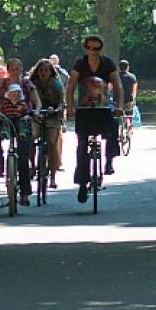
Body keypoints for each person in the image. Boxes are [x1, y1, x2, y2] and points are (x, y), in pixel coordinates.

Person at [65, 35, 124, 203]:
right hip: (84, 108)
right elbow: (71, 86)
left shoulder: (108, 64)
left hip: (103, 105)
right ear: (86, 49)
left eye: (97, 48)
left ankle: (109, 161)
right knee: (82, 144)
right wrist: (70, 107)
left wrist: (119, 106)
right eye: (90, 48)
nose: (93, 52)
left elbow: (118, 86)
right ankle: (83, 184)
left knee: (113, 128)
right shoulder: (79, 64)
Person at [0, 58, 41, 206]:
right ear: (8, 70)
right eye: (12, 69)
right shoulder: (1, 83)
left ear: (21, 70)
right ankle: (0, 160)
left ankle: (24, 193)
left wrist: (35, 112)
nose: (15, 72)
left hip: (23, 117)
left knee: (23, 158)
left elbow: (37, 101)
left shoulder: (26, 84)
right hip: (5, 117)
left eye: (18, 69)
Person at [29, 58, 65, 189]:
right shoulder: (31, 83)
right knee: (31, 137)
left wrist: (57, 109)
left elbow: (62, 101)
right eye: (41, 70)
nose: (44, 73)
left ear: (51, 71)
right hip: (36, 115)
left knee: (51, 141)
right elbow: (27, 99)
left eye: (46, 70)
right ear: (37, 72)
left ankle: (53, 176)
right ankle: (32, 165)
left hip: (53, 115)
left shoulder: (56, 84)